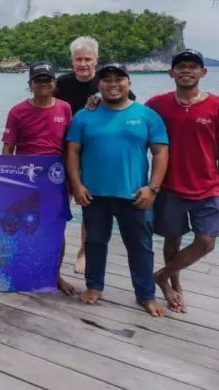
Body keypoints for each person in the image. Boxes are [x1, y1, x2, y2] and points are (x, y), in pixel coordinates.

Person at [66, 63, 169, 317]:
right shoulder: (84, 116)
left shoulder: (147, 115)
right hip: (94, 194)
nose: (113, 84)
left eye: (119, 79)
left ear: (128, 83)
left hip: (134, 195)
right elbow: (73, 151)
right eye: (107, 79)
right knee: (94, 241)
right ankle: (94, 286)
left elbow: (160, 152)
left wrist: (153, 188)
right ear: (99, 84)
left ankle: (146, 294)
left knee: (140, 246)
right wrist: (77, 185)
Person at [146, 49, 219, 313]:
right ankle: (173, 283)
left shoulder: (218, 105)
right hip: (170, 186)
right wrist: (95, 101)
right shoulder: (157, 104)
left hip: (208, 187)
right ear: (171, 72)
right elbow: (127, 109)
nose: (186, 70)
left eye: (193, 66)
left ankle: (161, 275)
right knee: (172, 239)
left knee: (206, 242)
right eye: (181, 66)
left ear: (203, 72)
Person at [55, 36, 136, 274]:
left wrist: (102, 98)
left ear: (96, 60)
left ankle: (84, 251)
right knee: (60, 204)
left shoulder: (105, 83)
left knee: (89, 206)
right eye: (78, 59)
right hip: (65, 151)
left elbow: (129, 103)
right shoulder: (62, 83)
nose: (83, 64)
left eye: (87, 59)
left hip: (94, 154)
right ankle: (55, 249)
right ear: (72, 61)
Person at [2, 61, 75, 295]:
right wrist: (6, 180)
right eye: (38, 80)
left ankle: (55, 274)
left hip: (56, 179)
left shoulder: (65, 108)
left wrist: (73, 180)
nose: (43, 84)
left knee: (56, 227)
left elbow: (71, 146)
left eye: (47, 80)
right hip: (26, 178)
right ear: (30, 84)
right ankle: (20, 270)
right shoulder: (17, 111)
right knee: (23, 225)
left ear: (54, 82)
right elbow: (8, 148)